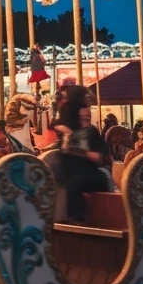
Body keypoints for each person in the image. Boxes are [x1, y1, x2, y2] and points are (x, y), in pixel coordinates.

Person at [56, 85, 110, 222]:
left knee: (75, 183)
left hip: (93, 176)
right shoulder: (62, 129)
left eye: (88, 111)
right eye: (84, 109)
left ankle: (77, 219)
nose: (87, 113)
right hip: (71, 175)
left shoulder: (91, 133)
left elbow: (98, 157)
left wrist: (76, 148)